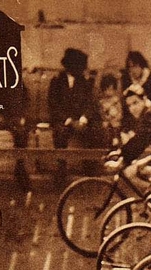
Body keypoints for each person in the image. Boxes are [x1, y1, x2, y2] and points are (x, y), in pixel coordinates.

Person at [47, 48, 102, 183]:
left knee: (95, 129)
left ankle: (90, 166)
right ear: (69, 66)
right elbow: (53, 105)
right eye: (79, 66)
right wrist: (70, 121)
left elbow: (91, 104)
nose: (83, 69)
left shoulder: (86, 81)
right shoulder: (56, 81)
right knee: (60, 131)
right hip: (63, 120)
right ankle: (61, 168)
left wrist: (83, 119)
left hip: (81, 119)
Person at [120, 51, 151, 132]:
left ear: (142, 66)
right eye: (130, 67)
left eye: (135, 66)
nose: (133, 70)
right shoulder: (126, 81)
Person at [98, 74, 123, 147]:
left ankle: (116, 139)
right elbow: (101, 113)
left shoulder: (116, 100)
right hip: (106, 120)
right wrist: (106, 118)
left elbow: (120, 111)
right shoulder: (102, 102)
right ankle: (107, 143)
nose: (109, 92)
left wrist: (116, 117)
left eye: (111, 90)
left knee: (116, 126)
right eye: (107, 90)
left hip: (115, 120)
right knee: (105, 127)